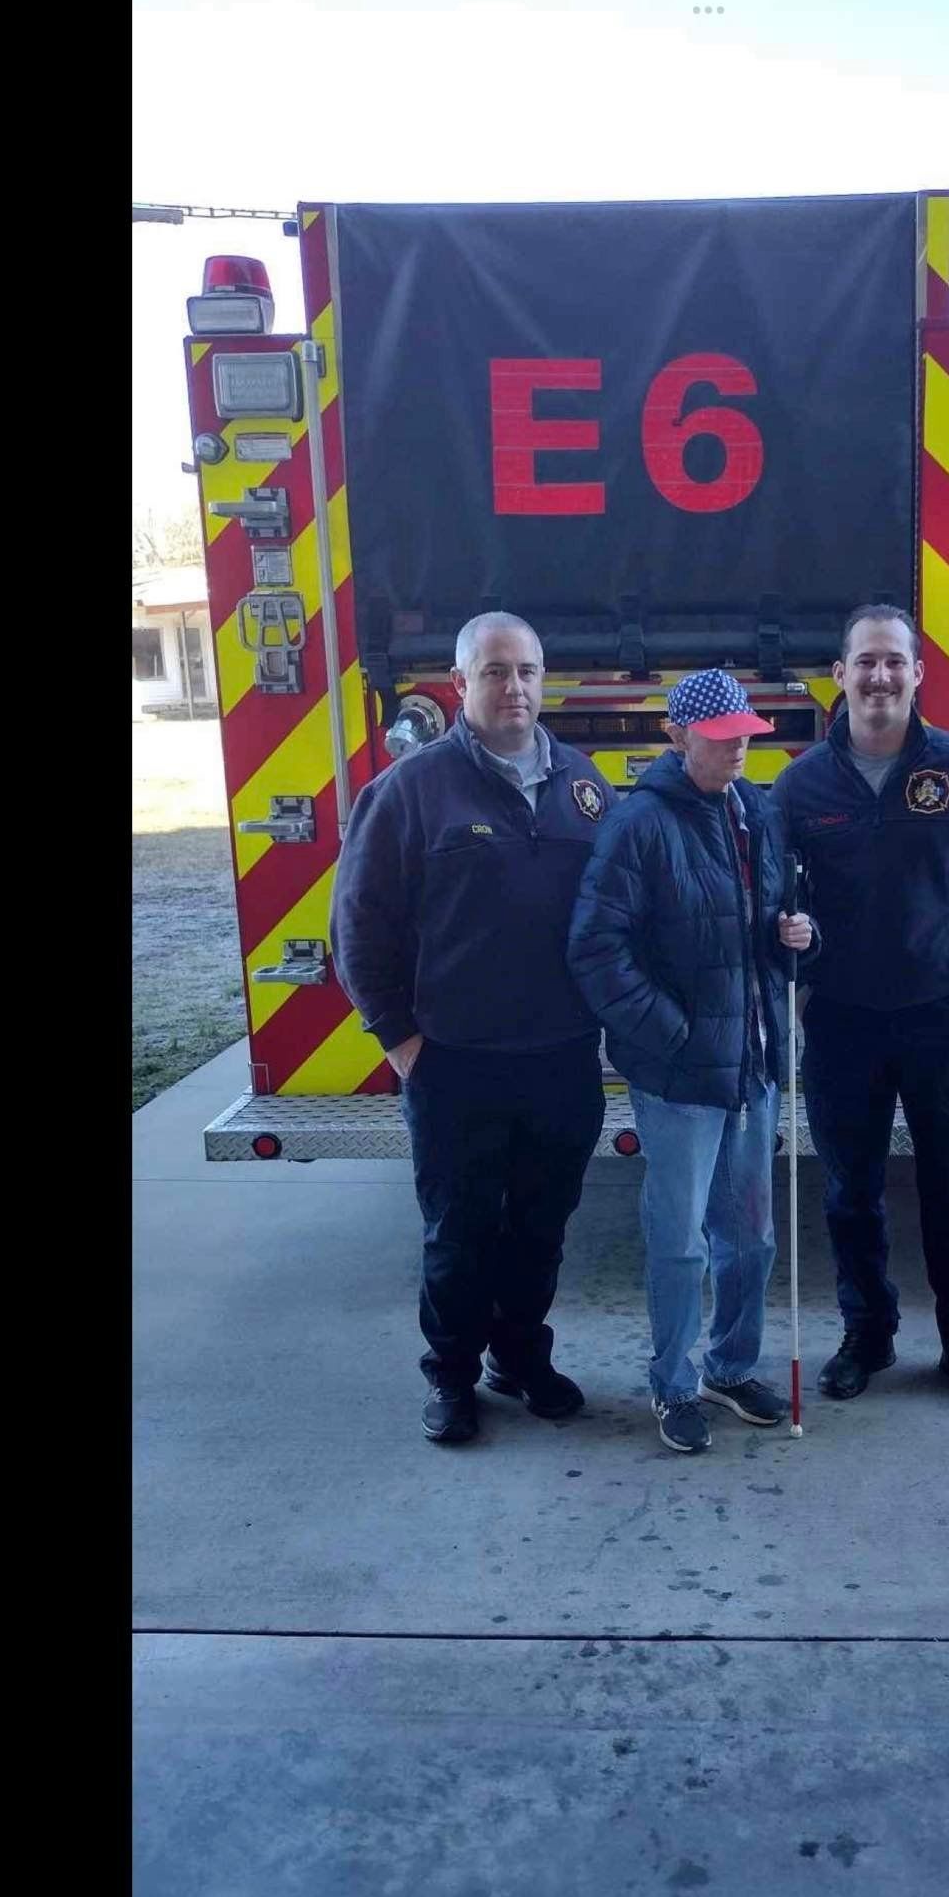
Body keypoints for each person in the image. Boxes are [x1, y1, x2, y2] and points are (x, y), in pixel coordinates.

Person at [329, 611, 616, 1446]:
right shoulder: (412, 790)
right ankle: (451, 1376)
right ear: (460, 685)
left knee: (540, 1227)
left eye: (525, 671)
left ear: (543, 679)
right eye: (493, 672)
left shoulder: (581, 785)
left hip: (561, 1059)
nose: (513, 687)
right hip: (453, 1061)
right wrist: (400, 1041)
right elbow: (361, 923)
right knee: (457, 1233)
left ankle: (520, 1359)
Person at [768, 604, 949, 1416]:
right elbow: (776, 893)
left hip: (940, 1020)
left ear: (918, 674)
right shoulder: (800, 785)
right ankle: (868, 1335)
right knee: (849, 1195)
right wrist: (795, 957)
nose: (879, 676)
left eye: (895, 661)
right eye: (865, 662)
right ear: (840, 675)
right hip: (842, 1023)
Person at [567, 669, 815, 1454]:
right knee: (679, 1240)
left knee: (751, 1238)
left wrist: (797, 937)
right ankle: (672, 1384)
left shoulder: (757, 812)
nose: (739, 745)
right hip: (677, 1077)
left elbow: (777, 917)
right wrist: (672, 1034)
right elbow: (596, 950)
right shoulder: (638, 824)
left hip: (752, 1064)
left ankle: (729, 1366)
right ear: (676, 736)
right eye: (720, 735)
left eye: (745, 731)